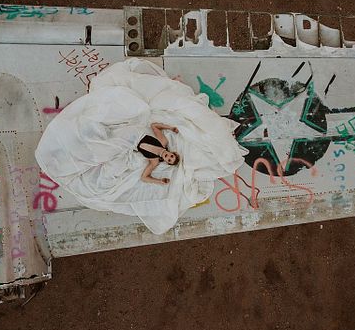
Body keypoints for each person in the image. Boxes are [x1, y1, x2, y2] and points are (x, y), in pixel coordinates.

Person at [35, 58, 247, 234]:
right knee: (106, 132)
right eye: (172, 157)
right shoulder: (163, 142)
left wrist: (160, 181)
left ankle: (70, 156)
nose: (168, 157)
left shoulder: (153, 161)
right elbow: (154, 125)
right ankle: (80, 145)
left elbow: (144, 176)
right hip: (132, 133)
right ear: (172, 153)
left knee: (104, 156)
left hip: (128, 145)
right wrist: (171, 129)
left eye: (169, 160)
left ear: (166, 161)